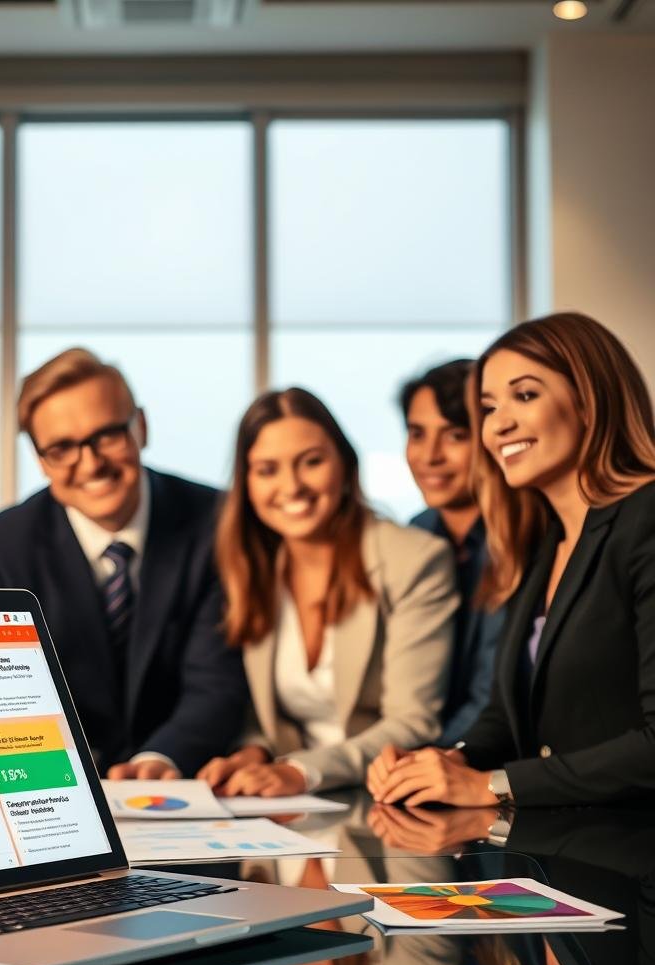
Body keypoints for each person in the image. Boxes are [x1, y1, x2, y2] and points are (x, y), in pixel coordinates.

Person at [368, 312, 655, 808]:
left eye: (525, 396)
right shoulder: (542, 542)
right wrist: (447, 761)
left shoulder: (645, 518)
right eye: (488, 407)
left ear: (590, 399)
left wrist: (490, 785)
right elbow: (505, 716)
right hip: (562, 846)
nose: (499, 424)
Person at [0, 348, 249, 779]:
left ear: (141, 428)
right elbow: (3, 696)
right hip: (59, 785)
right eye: (62, 448)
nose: (92, 464)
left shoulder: (215, 521)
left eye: (108, 435)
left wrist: (157, 760)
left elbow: (217, 680)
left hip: (187, 782)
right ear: (41, 460)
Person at [196, 387, 457, 797]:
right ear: (246, 483)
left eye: (311, 462)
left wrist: (301, 771)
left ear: (345, 464)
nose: (292, 486)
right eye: (267, 470)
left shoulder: (415, 560)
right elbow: (267, 718)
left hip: (381, 799)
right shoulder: (251, 569)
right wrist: (253, 752)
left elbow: (414, 722)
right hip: (288, 808)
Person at [401, 359, 504, 746]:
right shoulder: (415, 533)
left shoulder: (521, 537)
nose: (430, 456)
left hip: (486, 759)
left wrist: (436, 756)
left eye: (456, 435)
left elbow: (493, 695)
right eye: (416, 433)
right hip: (419, 751)